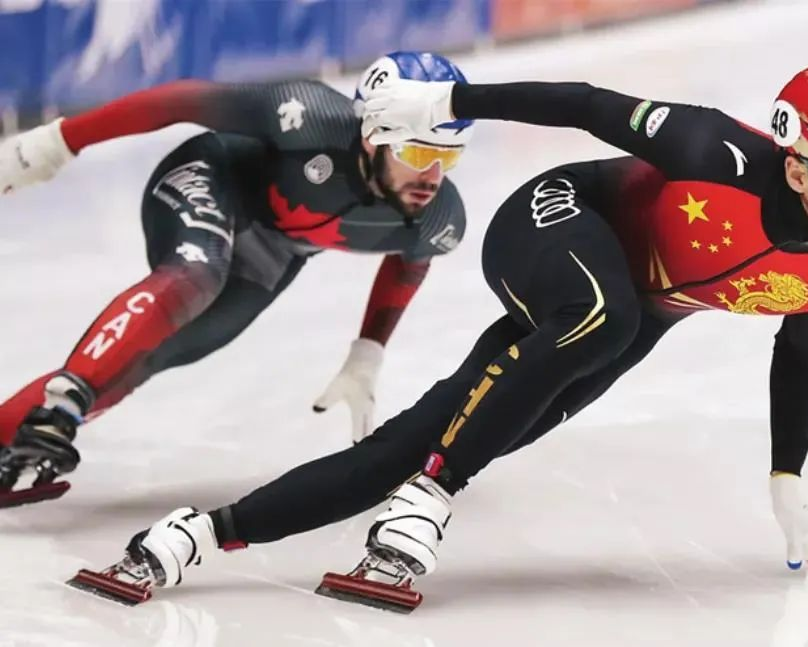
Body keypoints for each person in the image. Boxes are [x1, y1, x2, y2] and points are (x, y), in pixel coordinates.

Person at [71, 60, 808, 611]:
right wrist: (448, 104)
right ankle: (433, 498)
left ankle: (198, 532)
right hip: (558, 219)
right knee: (603, 319)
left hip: (621, 313)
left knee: (436, 433)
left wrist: (787, 476)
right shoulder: (717, 150)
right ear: (797, 165)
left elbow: (800, 353)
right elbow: (585, 106)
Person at [0, 51, 474, 508]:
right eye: (417, 152)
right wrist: (59, 141)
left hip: (273, 251)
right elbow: (179, 101)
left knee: (153, 355)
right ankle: (60, 408)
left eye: (448, 157)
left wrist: (368, 352)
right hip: (212, 176)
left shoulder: (439, 218)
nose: (432, 177)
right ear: (372, 136)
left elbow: (409, 263)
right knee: (196, 274)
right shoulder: (308, 117)